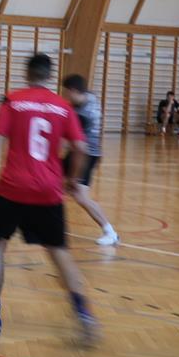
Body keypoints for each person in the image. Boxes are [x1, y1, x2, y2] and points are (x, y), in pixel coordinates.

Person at [0, 53, 97, 345]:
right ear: (49, 76)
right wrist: (72, 179)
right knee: (59, 251)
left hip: (11, 189)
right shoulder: (63, 106)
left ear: (27, 74)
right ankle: (84, 313)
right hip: (49, 190)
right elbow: (81, 148)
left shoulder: (13, 100)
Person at [62, 74, 118, 246]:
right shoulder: (90, 98)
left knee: (80, 196)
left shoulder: (83, 114)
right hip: (82, 153)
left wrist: (73, 176)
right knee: (50, 182)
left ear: (73, 90)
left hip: (85, 156)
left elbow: (75, 144)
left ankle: (110, 232)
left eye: (66, 92)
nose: (65, 96)